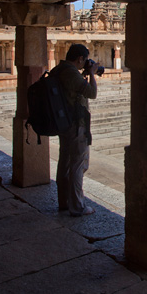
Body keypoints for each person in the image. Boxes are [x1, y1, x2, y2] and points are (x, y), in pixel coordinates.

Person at [54, 44, 99, 216]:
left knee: (65, 163)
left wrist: (85, 74)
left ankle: (64, 201)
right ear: (80, 59)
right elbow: (91, 93)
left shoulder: (60, 69)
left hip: (64, 123)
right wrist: (92, 74)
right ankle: (77, 206)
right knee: (78, 165)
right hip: (75, 124)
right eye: (85, 60)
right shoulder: (70, 72)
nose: (85, 63)